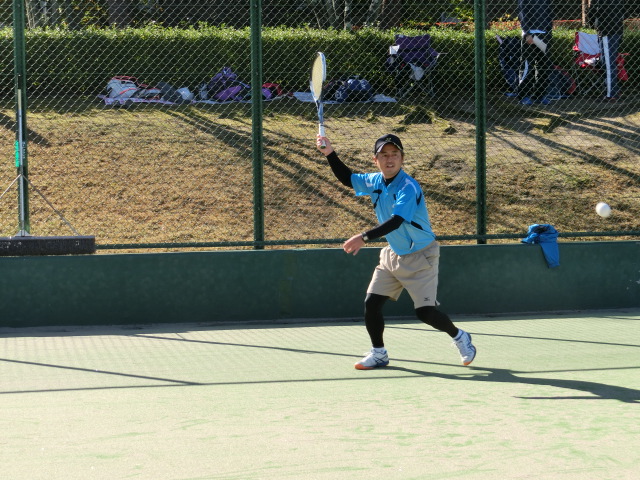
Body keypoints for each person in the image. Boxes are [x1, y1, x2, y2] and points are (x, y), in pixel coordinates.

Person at [316, 133, 477, 370]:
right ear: (376, 160)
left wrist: (363, 237)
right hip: (393, 254)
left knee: (425, 313)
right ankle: (379, 353)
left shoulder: (409, 187)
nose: (389, 159)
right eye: (384, 155)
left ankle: (460, 336)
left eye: (394, 154)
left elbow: (397, 220)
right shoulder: (375, 180)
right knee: (372, 303)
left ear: (402, 158)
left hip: (422, 256)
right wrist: (329, 153)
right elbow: (348, 179)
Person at [517, 0, 554, 105]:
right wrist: (527, 33)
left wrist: (548, 31)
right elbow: (522, 14)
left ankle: (539, 95)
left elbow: (549, 13)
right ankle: (524, 95)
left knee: (545, 66)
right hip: (530, 35)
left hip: (544, 35)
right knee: (527, 66)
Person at [587, 0, 626, 100]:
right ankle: (612, 90)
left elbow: (592, 12)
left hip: (606, 30)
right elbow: (625, 11)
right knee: (608, 62)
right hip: (616, 29)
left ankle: (611, 94)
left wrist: (592, 23)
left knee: (608, 63)